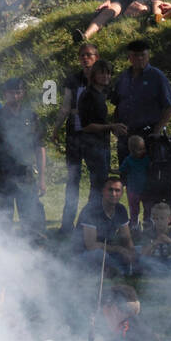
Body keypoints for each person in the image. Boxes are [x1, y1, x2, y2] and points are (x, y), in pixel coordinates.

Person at [0, 77, 46, 237]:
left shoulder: (31, 117)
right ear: (5, 94)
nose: (15, 96)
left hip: (25, 174)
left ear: (23, 93)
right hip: (1, 175)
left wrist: (41, 178)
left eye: (18, 92)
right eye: (11, 92)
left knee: (31, 220)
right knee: (0, 221)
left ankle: (31, 251)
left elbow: (39, 147)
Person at [54, 43, 99, 236]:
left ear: (96, 57)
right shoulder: (73, 79)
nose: (85, 58)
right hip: (74, 135)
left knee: (96, 180)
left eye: (89, 55)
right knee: (73, 179)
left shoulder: (103, 77)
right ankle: (67, 223)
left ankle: (90, 221)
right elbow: (65, 106)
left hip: (95, 137)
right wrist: (56, 128)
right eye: (82, 55)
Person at [110, 40, 171, 161]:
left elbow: (170, 106)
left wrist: (157, 131)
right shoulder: (124, 77)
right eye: (135, 55)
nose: (140, 58)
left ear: (148, 55)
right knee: (126, 173)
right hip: (125, 135)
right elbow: (118, 103)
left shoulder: (157, 76)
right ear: (129, 57)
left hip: (148, 135)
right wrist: (115, 126)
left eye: (143, 55)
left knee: (148, 174)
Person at [77, 60, 123, 200]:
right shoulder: (88, 95)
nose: (106, 77)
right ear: (94, 75)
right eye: (102, 73)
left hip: (102, 143)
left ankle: (97, 216)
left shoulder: (103, 93)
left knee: (101, 183)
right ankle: (91, 217)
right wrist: (111, 127)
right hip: (91, 145)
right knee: (99, 184)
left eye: (108, 73)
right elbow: (86, 126)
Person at [77, 175, 136, 274]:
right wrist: (118, 249)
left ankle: (121, 269)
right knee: (100, 255)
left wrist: (132, 253)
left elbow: (127, 239)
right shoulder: (91, 210)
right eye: (110, 190)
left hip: (107, 250)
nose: (113, 194)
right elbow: (90, 245)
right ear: (103, 191)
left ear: (122, 193)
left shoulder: (121, 210)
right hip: (83, 253)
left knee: (137, 250)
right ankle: (120, 270)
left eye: (117, 190)